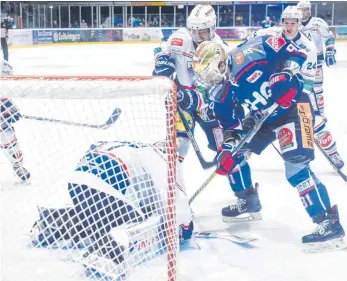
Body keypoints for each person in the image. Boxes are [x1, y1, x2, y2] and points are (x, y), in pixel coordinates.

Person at [191, 12, 345, 250]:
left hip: (294, 106)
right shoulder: (220, 95)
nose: (208, 81)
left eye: (210, 73)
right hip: (264, 119)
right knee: (236, 157)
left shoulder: (251, 53)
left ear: (221, 62)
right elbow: (231, 128)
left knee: (296, 168)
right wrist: (228, 149)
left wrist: (288, 74)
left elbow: (296, 51)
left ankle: (328, 221)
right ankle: (248, 200)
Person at [30, 141, 193, 278]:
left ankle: (51, 222)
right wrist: (185, 227)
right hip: (108, 185)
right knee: (148, 221)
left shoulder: (135, 146)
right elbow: (173, 206)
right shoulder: (161, 159)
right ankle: (112, 248)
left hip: (77, 181)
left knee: (95, 215)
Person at [252, 7, 345, 172]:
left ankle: (333, 152)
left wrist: (291, 99)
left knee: (313, 120)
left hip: (297, 93)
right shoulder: (273, 36)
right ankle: (246, 151)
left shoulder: (308, 47)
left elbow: (308, 82)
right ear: (281, 23)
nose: (289, 27)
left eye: (293, 23)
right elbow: (254, 42)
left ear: (298, 24)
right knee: (257, 119)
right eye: (286, 23)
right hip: (273, 89)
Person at [153, 4, 229, 163]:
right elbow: (162, 52)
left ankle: (242, 185)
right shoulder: (179, 39)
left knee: (223, 147)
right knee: (179, 142)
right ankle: (172, 179)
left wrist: (199, 98)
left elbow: (220, 85)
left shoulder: (220, 49)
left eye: (203, 31)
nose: (198, 36)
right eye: (194, 31)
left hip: (206, 103)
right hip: (181, 98)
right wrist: (162, 62)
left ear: (213, 27)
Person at [297, 1, 344, 169]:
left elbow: (329, 37)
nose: (305, 13)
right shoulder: (292, 25)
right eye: (302, 10)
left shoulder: (318, 23)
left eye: (307, 9)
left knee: (316, 97)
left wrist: (330, 50)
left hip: (314, 67)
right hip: (297, 71)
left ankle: (320, 118)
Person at [1, 59, 31, 183]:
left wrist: (12, 114)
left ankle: (18, 167)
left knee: (11, 142)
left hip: (2, 129)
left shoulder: (4, 90)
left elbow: (10, 109)